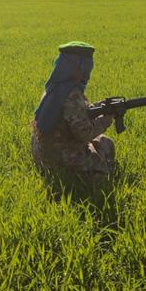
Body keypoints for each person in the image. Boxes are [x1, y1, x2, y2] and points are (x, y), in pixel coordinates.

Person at [31, 42, 116, 185]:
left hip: (43, 155)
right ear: (78, 67)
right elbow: (84, 134)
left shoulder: (54, 88)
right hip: (61, 157)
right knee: (104, 166)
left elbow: (74, 114)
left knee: (103, 142)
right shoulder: (72, 95)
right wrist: (107, 119)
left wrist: (99, 107)